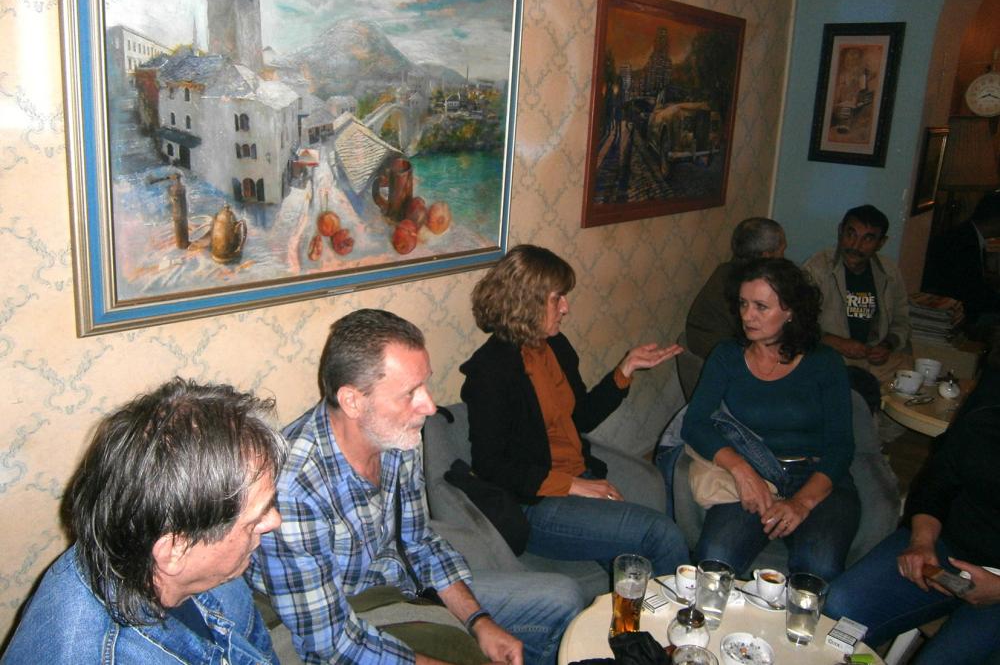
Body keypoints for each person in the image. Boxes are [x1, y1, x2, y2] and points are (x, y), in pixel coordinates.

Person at [248, 308, 582, 665]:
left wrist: (478, 620)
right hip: (346, 614)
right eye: (410, 393)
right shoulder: (292, 489)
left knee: (562, 598)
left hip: (400, 584)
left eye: (425, 384)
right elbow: (330, 644)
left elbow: (419, 542)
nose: (429, 405)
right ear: (353, 401)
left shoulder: (397, 436)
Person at [2, 378, 287, 665]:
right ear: (174, 551)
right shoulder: (91, 655)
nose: (275, 521)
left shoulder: (204, 557)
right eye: (254, 520)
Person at [459, 244, 689, 577]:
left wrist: (625, 370)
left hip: (579, 476)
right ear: (527, 301)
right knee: (662, 534)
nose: (566, 308)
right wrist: (571, 485)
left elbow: (580, 417)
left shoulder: (555, 346)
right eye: (558, 298)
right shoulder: (491, 371)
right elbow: (490, 465)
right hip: (535, 504)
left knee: (634, 568)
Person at [680, 258, 859, 579]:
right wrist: (741, 470)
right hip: (756, 472)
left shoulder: (824, 363)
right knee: (714, 561)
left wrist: (802, 503)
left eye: (761, 307)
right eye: (743, 304)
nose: (747, 315)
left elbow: (841, 445)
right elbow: (695, 423)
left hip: (815, 475)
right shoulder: (727, 356)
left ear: (791, 311)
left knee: (817, 567)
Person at [825, 405, 1000, 664]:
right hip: (947, 547)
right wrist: (922, 542)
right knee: (841, 607)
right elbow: (937, 482)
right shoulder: (986, 417)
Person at [803, 204, 911, 367]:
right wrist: (837, 342)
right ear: (840, 231)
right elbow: (797, 323)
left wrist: (887, 345)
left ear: (881, 243)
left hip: (873, 358)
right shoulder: (816, 269)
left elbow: (901, 320)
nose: (855, 246)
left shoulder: (889, 271)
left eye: (867, 239)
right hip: (829, 356)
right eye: (851, 234)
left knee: (910, 372)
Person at [685, 217, 787, 360]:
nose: (784, 256)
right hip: (718, 351)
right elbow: (755, 332)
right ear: (766, 255)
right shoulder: (746, 285)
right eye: (782, 251)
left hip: (709, 342)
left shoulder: (726, 270)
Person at [922, 190, 1000, 331]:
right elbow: (971, 292)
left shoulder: (966, 234)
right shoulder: (961, 243)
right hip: (953, 314)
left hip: (961, 305)